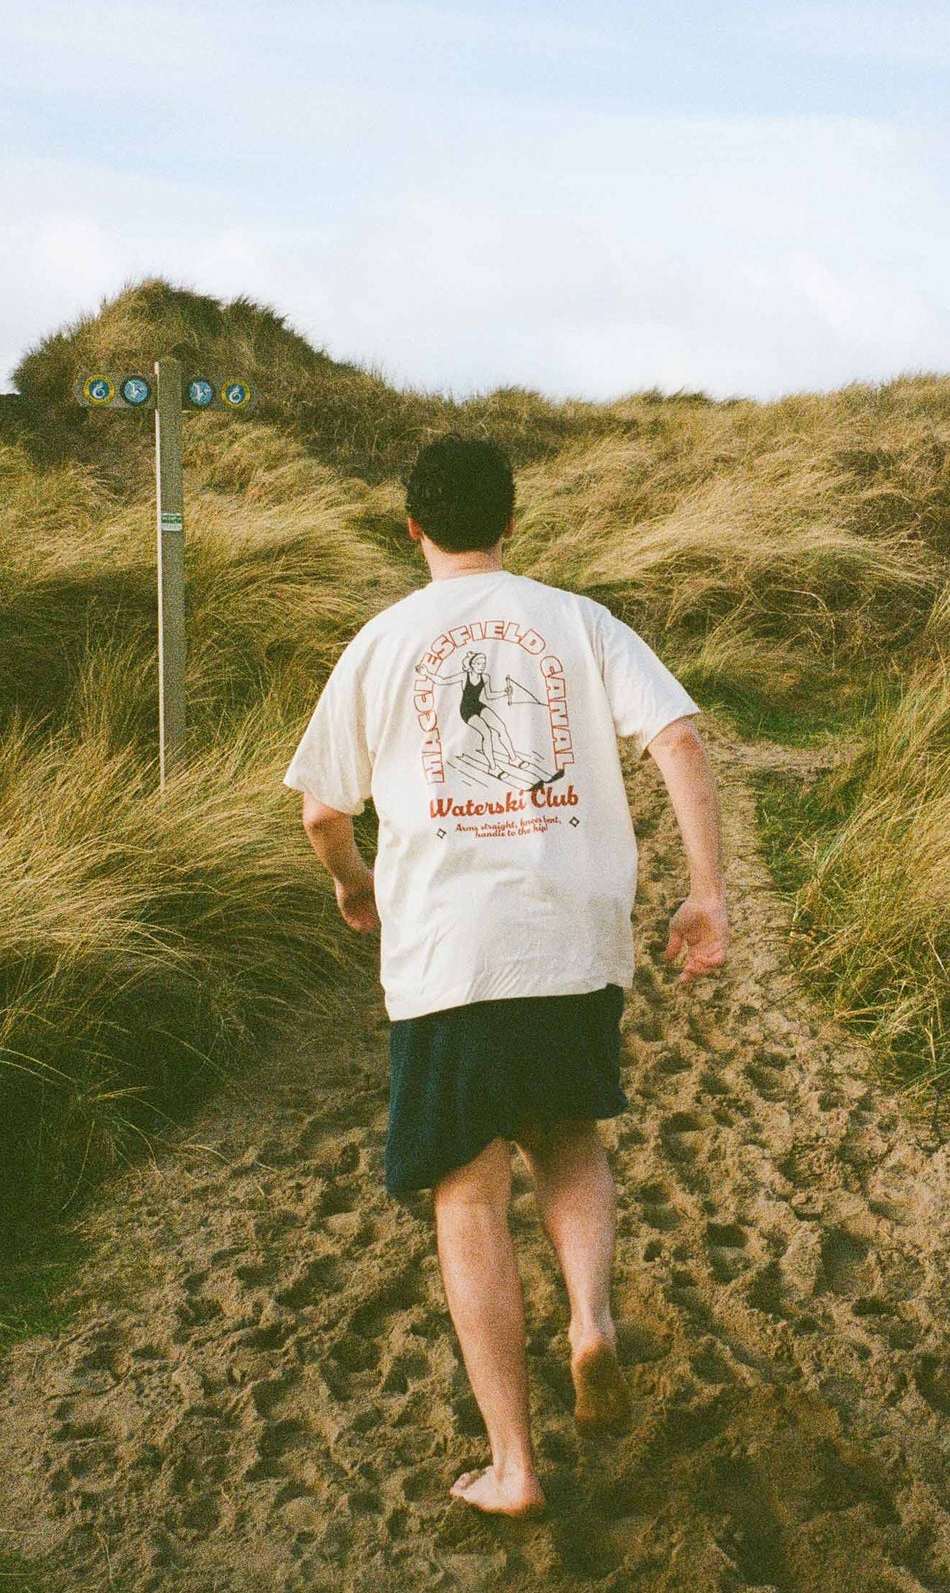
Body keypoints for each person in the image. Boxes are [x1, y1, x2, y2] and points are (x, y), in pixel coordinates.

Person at [284, 434, 729, 1519]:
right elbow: (675, 734)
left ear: (411, 529)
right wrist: (706, 887)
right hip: (571, 936)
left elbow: (320, 809)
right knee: (567, 1132)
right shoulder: (576, 619)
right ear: (511, 524)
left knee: (467, 1187)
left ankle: (515, 1468)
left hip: (451, 947)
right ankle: (589, 1318)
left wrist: (352, 884)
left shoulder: (384, 640)